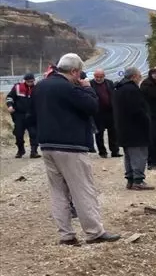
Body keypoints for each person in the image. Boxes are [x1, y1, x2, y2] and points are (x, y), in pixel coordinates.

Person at [32, 53, 120, 245]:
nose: (80, 77)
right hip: (71, 145)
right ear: (74, 71)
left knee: (58, 191)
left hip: (47, 144)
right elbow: (91, 106)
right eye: (79, 73)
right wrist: (88, 89)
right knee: (82, 189)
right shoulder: (68, 87)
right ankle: (94, 232)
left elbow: (33, 113)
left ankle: (66, 234)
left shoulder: (41, 86)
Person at [112, 67, 155, 191]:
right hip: (135, 129)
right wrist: (146, 119)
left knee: (129, 155)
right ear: (134, 76)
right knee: (139, 154)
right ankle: (138, 180)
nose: (140, 78)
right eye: (139, 76)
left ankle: (130, 179)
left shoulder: (118, 89)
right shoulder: (131, 89)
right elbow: (137, 110)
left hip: (123, 128)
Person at [6, 72, 39, 158]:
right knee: (18, 134)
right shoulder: (17, 87)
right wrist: (10, 106)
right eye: (28, 81)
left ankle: (34, 152)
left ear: (34, 81)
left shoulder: (37, 89)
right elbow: (10, 97)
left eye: (32, 81)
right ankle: (20, 150)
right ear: (25, 81)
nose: (30, 83)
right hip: (19, 115)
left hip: (32, 115)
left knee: (34, 134)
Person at [89, 68, 119, 158]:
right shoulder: (90, 84)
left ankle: (115, 151)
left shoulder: (109, 83)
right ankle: (102, 152)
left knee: (113, 132)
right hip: (98, 113)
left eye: (100, 77)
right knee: (99, 133)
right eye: (97, 77)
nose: (98, 79)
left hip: (110, 111)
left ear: (104, 76)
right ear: (94, 76)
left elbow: (113, 94)